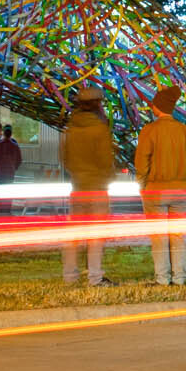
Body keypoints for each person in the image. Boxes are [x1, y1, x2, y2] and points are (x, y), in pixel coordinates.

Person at [135, 86, 186, 287]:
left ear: (158, 107)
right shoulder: (184, 132)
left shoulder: (149, 131)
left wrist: (142, 186)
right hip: (180, 190)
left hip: (156, 190)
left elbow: (142, 162)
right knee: (177, 236)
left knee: (159, 236)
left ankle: (162, 279)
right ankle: (179, 278)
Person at [60, 85, 116, 287]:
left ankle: (70, 276)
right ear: (97, 105)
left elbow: (64, 158)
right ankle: (95, 277)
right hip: (97, 187)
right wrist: (108, 176)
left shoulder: (70, 129)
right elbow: (105, 160)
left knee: (74, 236)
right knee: (95, 236)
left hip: (78, 187)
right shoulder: (99, 129)